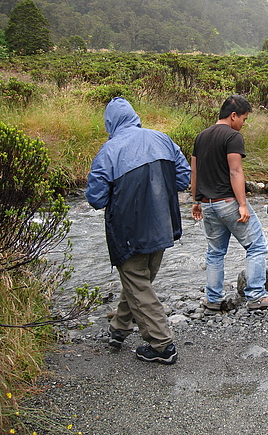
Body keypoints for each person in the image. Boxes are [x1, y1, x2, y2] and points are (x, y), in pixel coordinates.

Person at [85, 97, 191, 365]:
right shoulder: (163, 139)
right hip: (164, 225)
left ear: (110, 123)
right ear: (135, 115)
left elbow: (95, 199)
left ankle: (162, 345)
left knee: (138, 283)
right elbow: (183, 178)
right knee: (138, 282)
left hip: (128, 230)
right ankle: (119, 329)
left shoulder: (109, 151)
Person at [190, 95, 268, 310]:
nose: (243, 124)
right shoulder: (232, 137)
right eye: (243, 119)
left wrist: (196, 201)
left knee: (214, 252)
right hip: (228, 202)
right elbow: (235, 171)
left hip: (207, 203)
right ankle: (256, 296)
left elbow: (195, 171)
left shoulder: (200, 136)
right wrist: (242, 204)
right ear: (233, 115)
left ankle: (213, 299)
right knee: (256, 245)